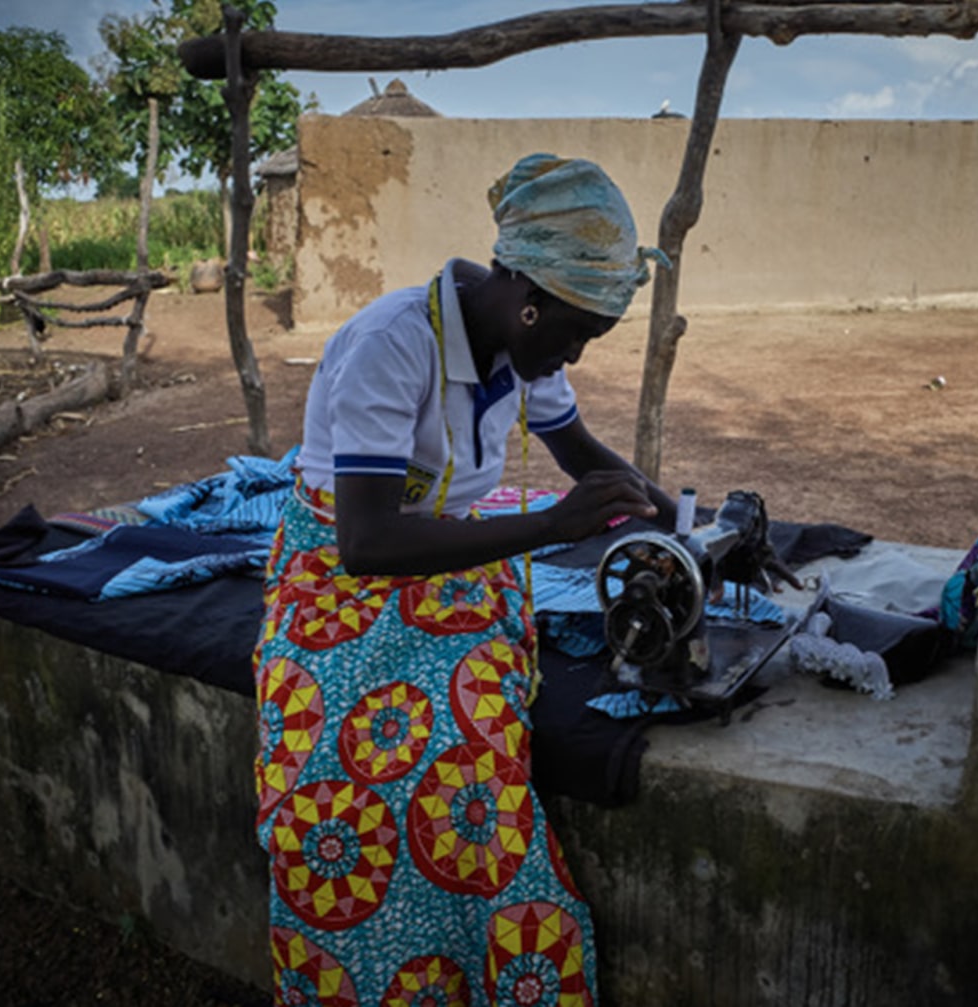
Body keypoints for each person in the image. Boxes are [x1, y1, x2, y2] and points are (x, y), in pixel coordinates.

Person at [252, 153, 675, 1006]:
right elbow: (366, 542)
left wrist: (667, 514)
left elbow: (577, 451)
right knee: (343, 780)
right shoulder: (394, 343)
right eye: (577, 334)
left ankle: (477, 956)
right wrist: (553, 525)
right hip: (338, 578)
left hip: (455, 562)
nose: (575, 355)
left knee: (473, 751)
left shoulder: (522, 353)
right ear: (529, 299)